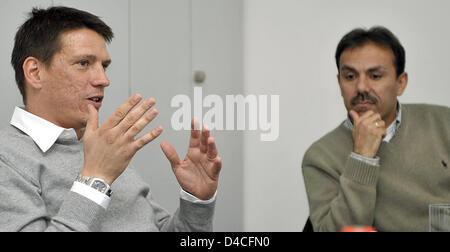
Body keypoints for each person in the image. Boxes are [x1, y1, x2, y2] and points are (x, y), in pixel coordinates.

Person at [0, 6, 222, 232]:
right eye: (84, 63)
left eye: (104, 66)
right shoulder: (7, 158)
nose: (103, 79)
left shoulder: (102, 147)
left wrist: (197, 201)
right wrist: (96, 177)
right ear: (35, 72)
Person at [302, 26, 450, 232]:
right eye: (350, 77)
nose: (361, 87)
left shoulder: (444, 124)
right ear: (339, 83)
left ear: (400, 83)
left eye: (375, 76)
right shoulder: (320, 158)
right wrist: (362, 157)